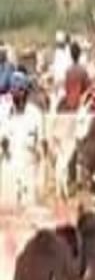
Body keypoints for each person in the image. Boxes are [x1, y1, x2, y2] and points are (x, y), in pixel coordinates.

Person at [0, 70, 45, 207]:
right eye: (13, 89)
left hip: (29, 177)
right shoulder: (3, 114)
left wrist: (41, 181)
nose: (16, 93)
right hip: (9, 177)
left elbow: (42, 152)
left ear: (26, 91)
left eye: (20, 90)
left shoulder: (35, 115)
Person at [59, 41, 90, 113]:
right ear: (79, 54)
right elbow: (87, 88)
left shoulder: (68, 71)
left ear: (71, 55)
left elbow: (66, 88)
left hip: (69, 102)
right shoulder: (83, 71)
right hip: (80, 103)